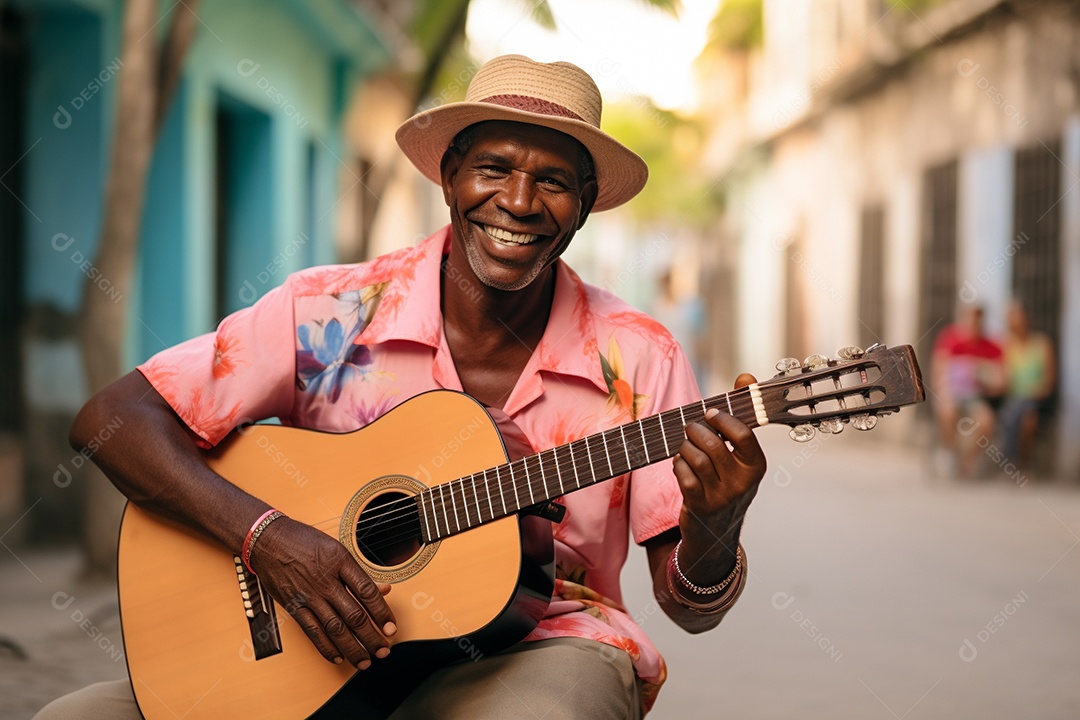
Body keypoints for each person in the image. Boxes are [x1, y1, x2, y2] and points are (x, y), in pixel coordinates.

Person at [35, 55, 767, 719]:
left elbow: (691, 609)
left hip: (541, 647)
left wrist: (715, 527)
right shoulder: (328, 312)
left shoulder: (639, 355)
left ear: (583, 206)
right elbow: (113, 417)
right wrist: (267, 538)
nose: (518, 201)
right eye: (493, 168)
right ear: (448, 175)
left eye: (552, 182)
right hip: (317, 646)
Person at [931, 304, 1005, 477]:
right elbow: (938, 371)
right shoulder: (950, 339)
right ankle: (951, 452)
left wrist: (982, 373)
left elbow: (1000, 382)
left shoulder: (991, 346)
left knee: (986, 421)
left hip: (975, 396)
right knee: (947, 413)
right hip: (951, 393)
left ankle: (968, 461)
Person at [999, 301, 1055, 469]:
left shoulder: (1041, 343)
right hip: (1013, 399)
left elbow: (1049, 380)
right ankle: (1012, 461)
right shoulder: (1007, 346)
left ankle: (1020, 461)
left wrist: (1033, 393)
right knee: (1013, 412)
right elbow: (1004, 379)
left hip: (1037, 400)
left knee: (1028, 416)